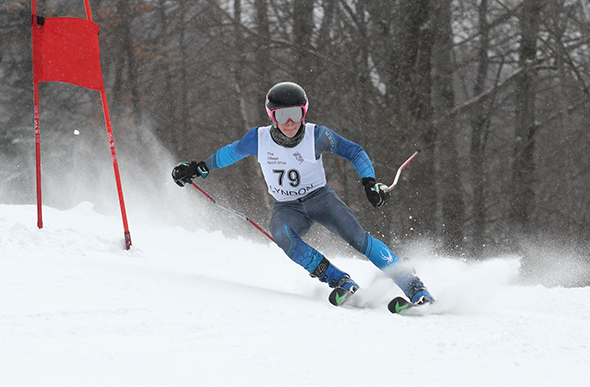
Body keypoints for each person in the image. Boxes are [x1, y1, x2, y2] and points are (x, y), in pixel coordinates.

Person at [172, 82, 434, 305]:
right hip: (287, 208)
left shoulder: (317, 136)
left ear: (304, 112)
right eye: (281, 115)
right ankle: (340, 281)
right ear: (271, 116)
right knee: (282, 236)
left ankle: (413, 285)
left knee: (357, 238)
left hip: (321, 200)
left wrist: (369, 183)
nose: (289, 122)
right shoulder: (258, 139)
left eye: (295, 114)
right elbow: (230, 152)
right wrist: (200, 168)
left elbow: (354, 151)